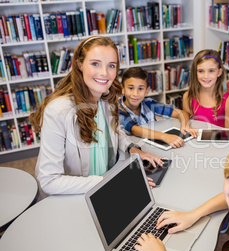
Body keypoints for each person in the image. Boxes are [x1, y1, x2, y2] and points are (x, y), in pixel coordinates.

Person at [29, 36, 163, 197]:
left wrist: (133, 149)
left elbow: (114, 131)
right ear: (79, 65)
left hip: (108, 183)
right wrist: (111, 182)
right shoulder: (58, 111)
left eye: (111, 65)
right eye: (95, 63)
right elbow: (48, 181)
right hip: (75, 195)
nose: (104, 73)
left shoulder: (106, 97)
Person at [118, 67, 198, 149]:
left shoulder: (148, 103)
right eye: (131, 88)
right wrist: (165, 137)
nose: (135, 93)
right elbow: (134, 129)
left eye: (140, 89)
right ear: (123, 89)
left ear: (147, 91)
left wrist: (185, 125)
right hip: (134, 152)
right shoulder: (119, 110)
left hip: (155, 148)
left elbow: (180, 113)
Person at [183, 49, 229, 128]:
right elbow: (186, 123)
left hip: (218, 140)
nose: (206, 76)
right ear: (195, 72)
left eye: (211, 71)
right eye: (201, 71)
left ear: (219, 72)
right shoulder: (188, 97)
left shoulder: (228, 100)